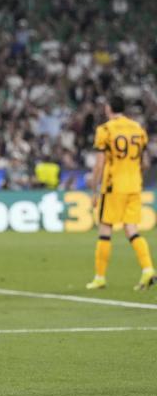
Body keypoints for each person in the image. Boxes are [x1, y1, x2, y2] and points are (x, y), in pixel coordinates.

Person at [86, 96, 156, 291]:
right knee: (132, 229)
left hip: (113, 186)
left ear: (108, 109)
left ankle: (100, 277)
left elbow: (99, 163)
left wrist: (94, 189)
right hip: (134, 185)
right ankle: (148, 269)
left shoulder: (105, 130)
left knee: (105, 229)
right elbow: (145, 163)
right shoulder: (137, 128)